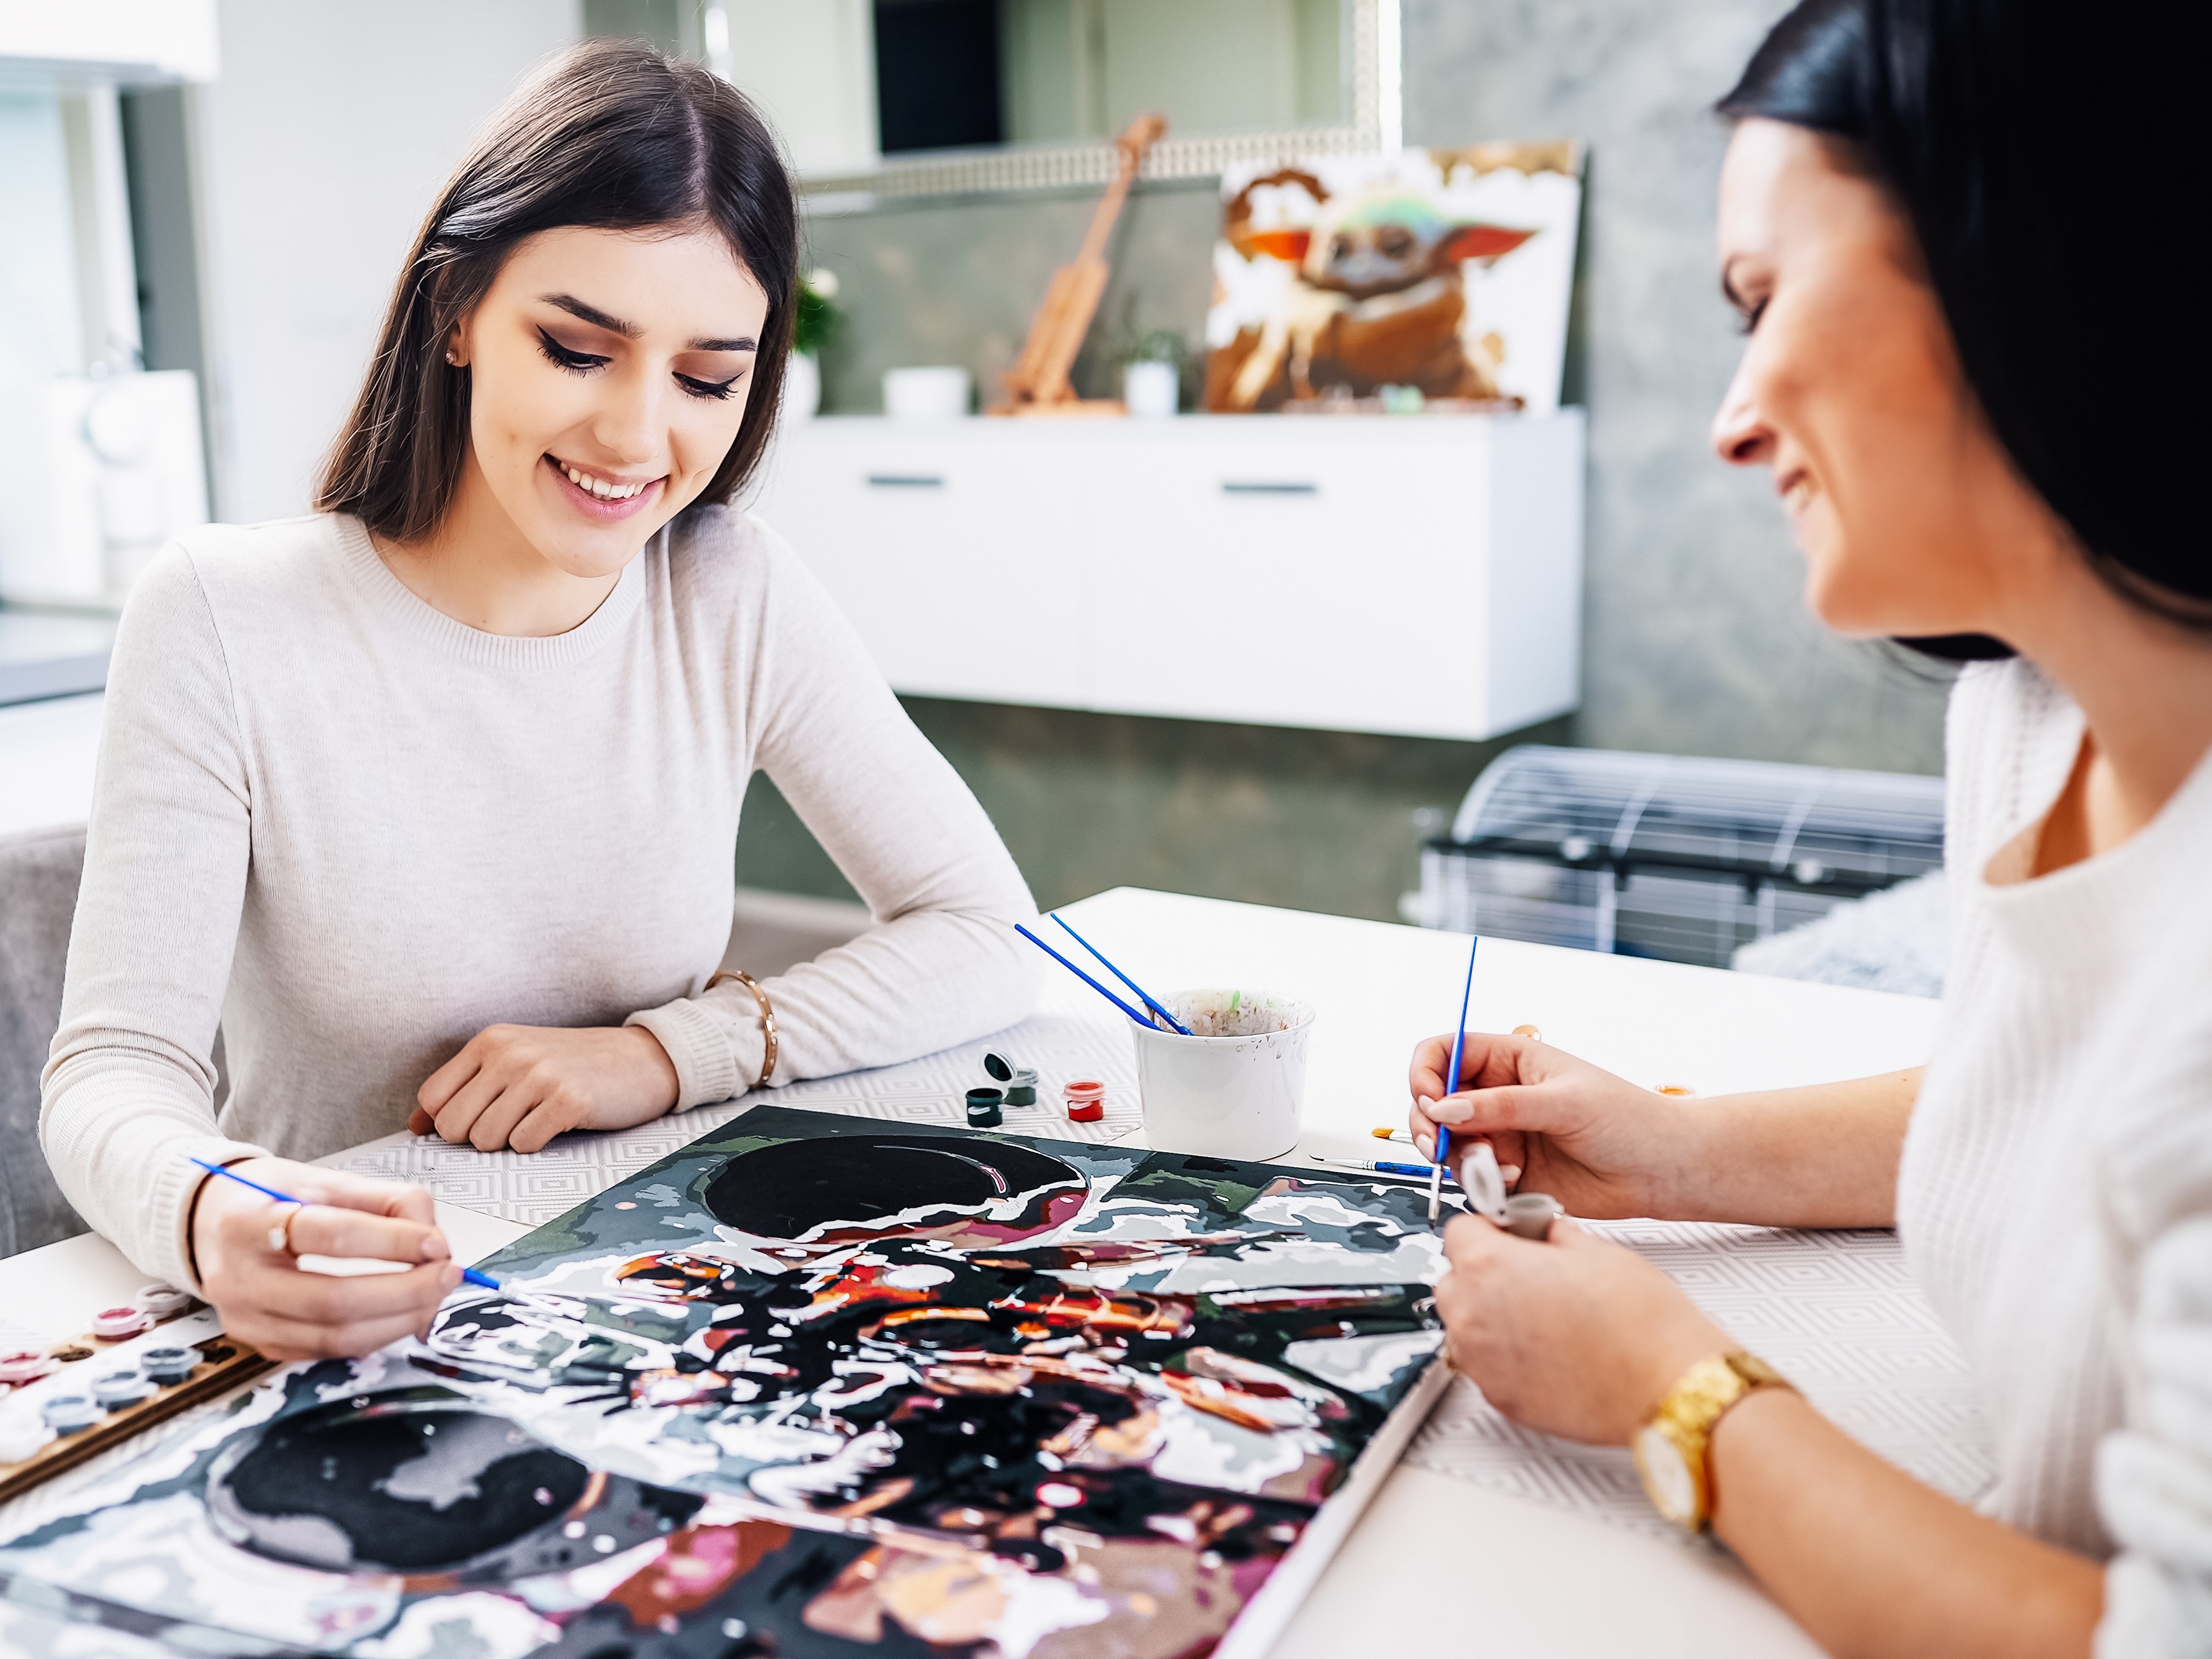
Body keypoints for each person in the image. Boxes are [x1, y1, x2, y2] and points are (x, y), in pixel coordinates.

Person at [1408, 2, 2210, 1653]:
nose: (1732, 420)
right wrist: (1677, 1153)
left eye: (1764, 302)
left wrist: (1673, 1388)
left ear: (2032, 258)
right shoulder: (2028, 715)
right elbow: (2083, 1111)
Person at [41, 41, 1038, 1364]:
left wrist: (671, 1053)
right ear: (456, 312)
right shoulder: (226, 614)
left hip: (646, 1312)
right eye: (578, 349)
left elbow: (987, 930)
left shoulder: (727, 591)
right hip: (347, 1323)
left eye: (706, 379)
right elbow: (111, 1071)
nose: (637, 437)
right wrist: (216, 1210)